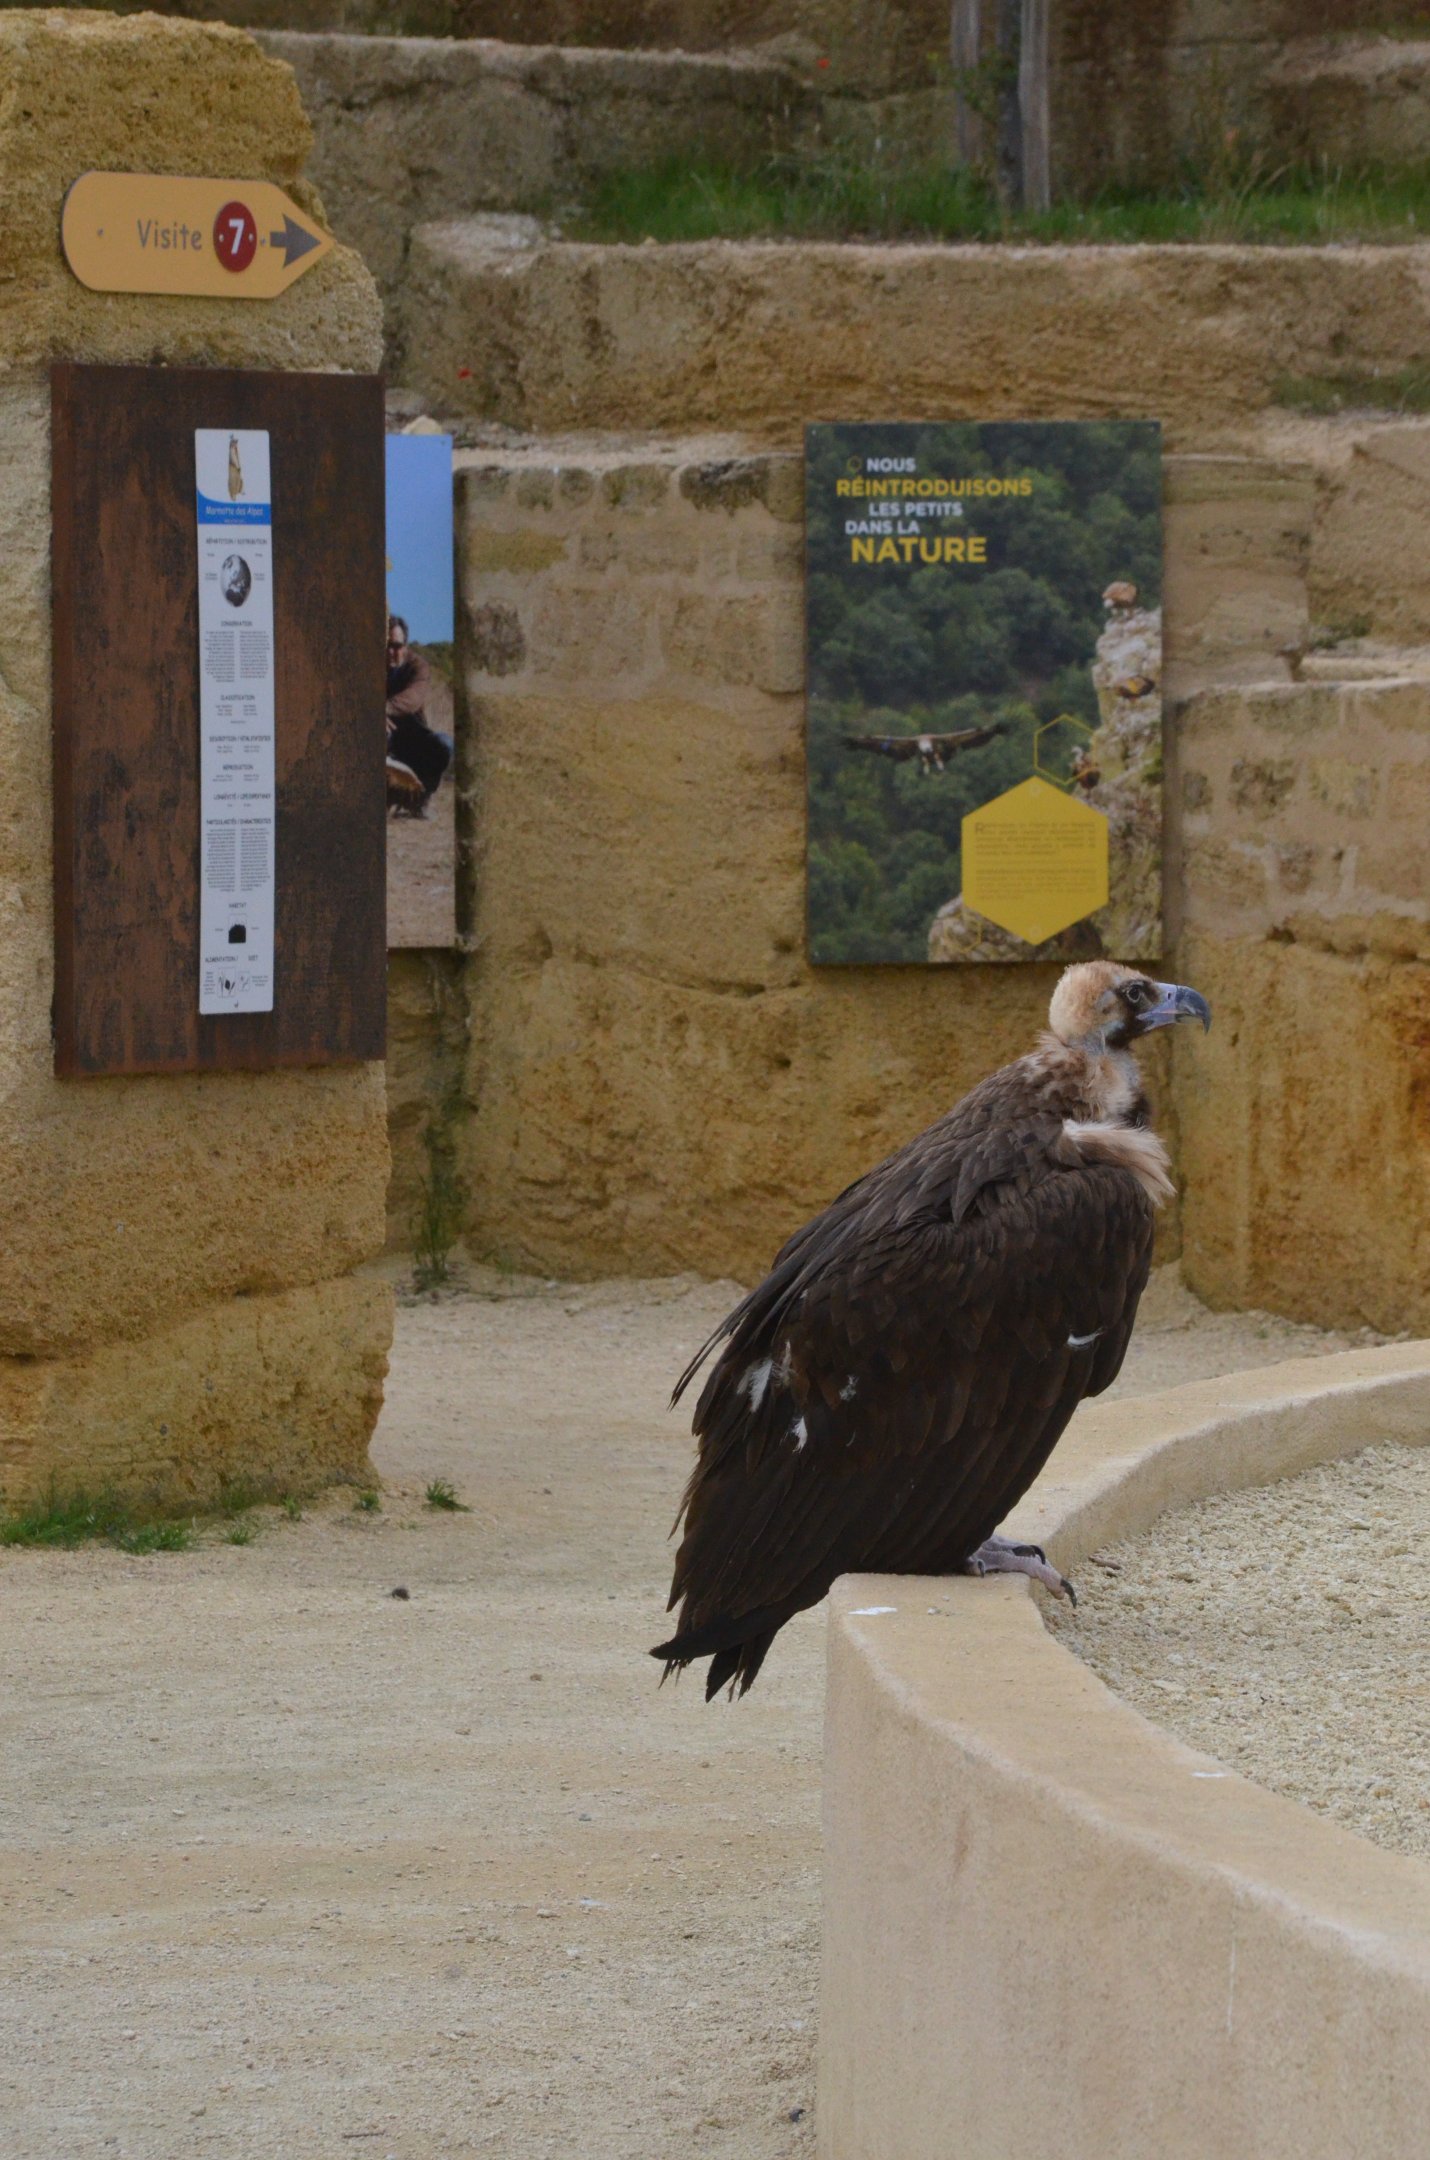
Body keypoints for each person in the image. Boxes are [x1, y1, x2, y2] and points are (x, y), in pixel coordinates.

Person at [385, 615, 452, 805]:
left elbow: (414, 698)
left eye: (397, 646)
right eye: (387, 645)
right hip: (386, 741)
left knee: (444, 744)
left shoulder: (418, 666)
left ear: (405, 647)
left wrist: (382, 709)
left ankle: (422, 797)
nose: (391, 652)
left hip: (413, 741)